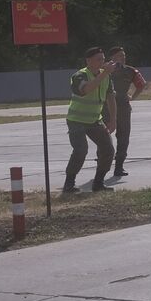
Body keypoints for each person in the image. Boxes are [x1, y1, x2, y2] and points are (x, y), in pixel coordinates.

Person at [63, 46, 117, 194]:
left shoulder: (105, 76)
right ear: (89, 61)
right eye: (98, 59)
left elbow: (111, 98)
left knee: (108, 149)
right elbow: (86, 90)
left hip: (94, 120)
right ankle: (69, 184)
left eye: (103, 59)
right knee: (81, 150)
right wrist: (105, 73)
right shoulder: (79, 75)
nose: (102, 62)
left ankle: (98, 183)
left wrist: (113, 120)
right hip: (76, 120)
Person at [107, 45, 147, 178]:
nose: (123, 58)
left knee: (123, 137)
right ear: (112, 57)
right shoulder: (103, 69)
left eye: (124, 56)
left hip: (123, 106)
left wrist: (132, 97)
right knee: (103, 136)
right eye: (120, 56)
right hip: (105, 106)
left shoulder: (131, 71)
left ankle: (119, 167)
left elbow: (141, 85)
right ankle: (102, 163)